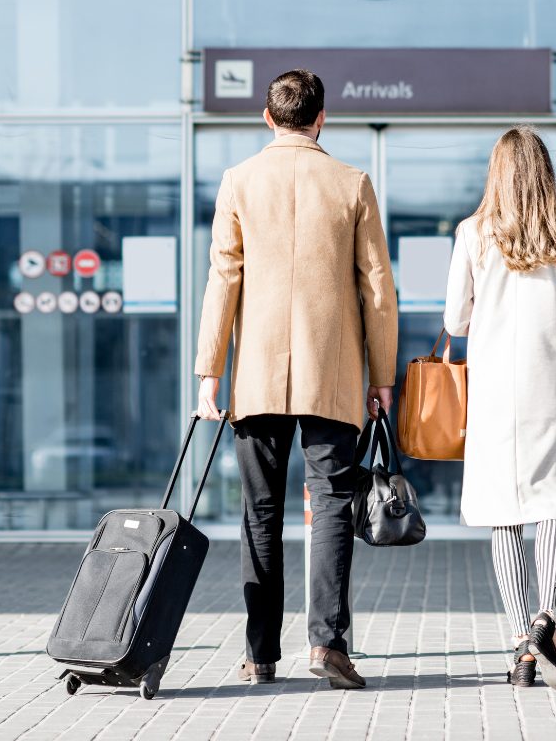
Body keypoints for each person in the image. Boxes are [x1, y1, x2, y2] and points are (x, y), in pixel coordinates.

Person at [194, 70, 398, 690]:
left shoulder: (239, 182)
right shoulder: (351, 183)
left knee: (261, 511)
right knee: (331, 504)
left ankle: (260, 655)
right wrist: (383, 375)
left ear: (267, 116)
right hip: (331, 374)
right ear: (322, 118)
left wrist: (209, 372)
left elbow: (222, 281)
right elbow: (378, 291)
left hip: (255, 375)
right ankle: (328, 644)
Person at [443, 125, 556, 690]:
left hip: (494, 394)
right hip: (554, 388)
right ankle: (548, 620)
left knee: (504, 513)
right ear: (544, 174)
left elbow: (454, 322)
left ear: (496, 174)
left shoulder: (472, 233)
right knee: (552, 506)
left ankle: (522, 643)